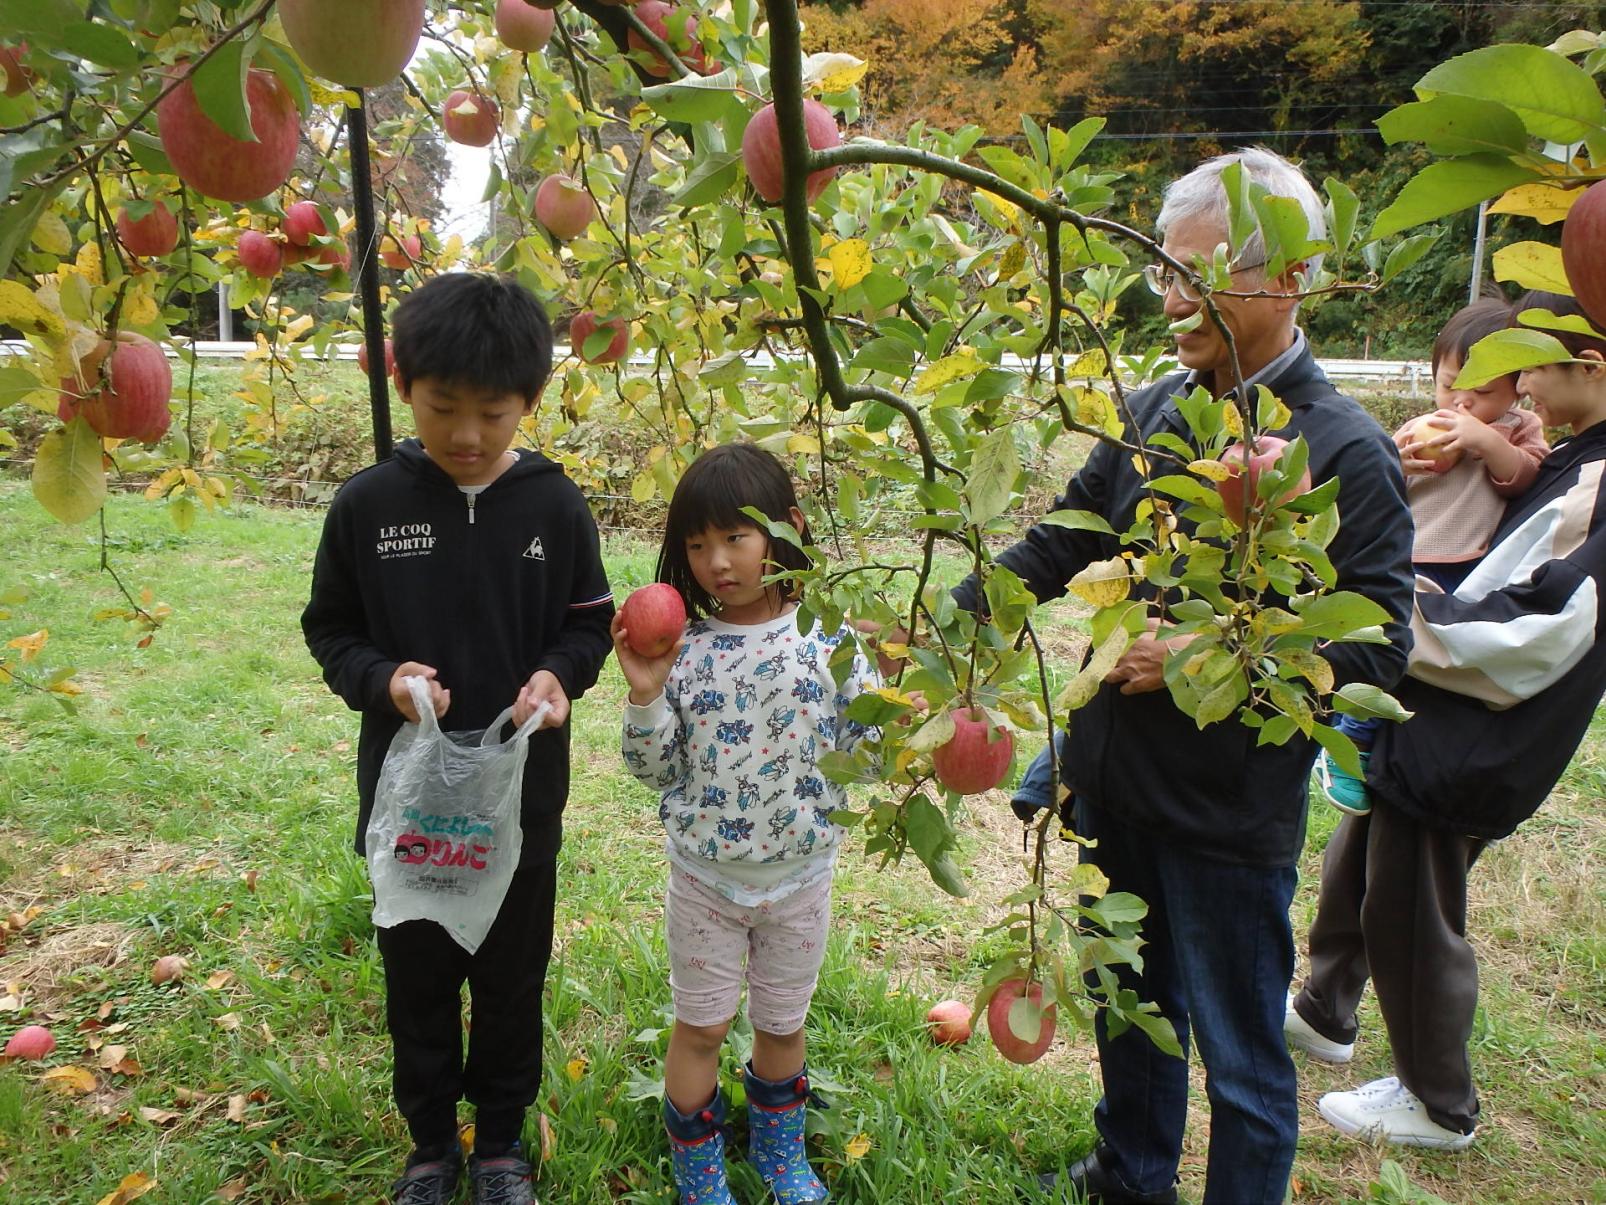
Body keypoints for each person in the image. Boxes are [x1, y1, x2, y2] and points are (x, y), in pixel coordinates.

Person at [955, 148, 1416, 1205]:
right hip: (1116, 783)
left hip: (1224, 812)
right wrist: (954, 613)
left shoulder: (1341, 449)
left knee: (1241, 1051)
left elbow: (1378, 647)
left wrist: (1205, 658)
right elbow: (1060, 541)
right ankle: (1131, 1173)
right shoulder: (1157, 409)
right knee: (1130, 1004)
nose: (1171, 296)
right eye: (1164, 270)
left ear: (1289, 278)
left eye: (1198, 273)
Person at [302, 273, 615, 1205]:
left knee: (513, 984)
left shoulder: (556, 509)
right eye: (444, 408)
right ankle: (432, 1144)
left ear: (532, 400)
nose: (469, 435)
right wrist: (384, 680)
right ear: (405, 387)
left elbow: (588, 621)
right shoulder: (368, 506)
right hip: (412, 811)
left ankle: (505, 1143)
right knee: (422, 985)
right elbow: (332, 628)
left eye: (493, 411)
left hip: (519, 809)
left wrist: (561, 676)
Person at [1287, 290, 1606, 1151]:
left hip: (1479, 728)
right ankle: (1324, 1008)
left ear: (1592, 367)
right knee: (1359, 853)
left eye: (1532, 367)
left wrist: (1386, 611)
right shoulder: (1579, 456)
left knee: (1414, 910)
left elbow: (1542, 621)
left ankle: (1439, 1102)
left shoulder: (1599, 474)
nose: (1524, 387)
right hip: (1440, 709)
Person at [613, 443, 879, 1205]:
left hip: (800, 880)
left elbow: (867, 754)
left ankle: (778, 1152)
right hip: (705, 882)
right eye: (697, 544)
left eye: (735, 537)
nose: (716, 561)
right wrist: (645, 693)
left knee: (781, 1027)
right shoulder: (684, 651)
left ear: (785, 529)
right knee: (699, 1028)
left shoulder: (831, 641)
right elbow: (654, 770)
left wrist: (900, 709)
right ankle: (698, 1171)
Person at [1316, 298, 1549, 815]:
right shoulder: (1418, 426)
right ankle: (1349, 738)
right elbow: (1380, 487)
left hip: (1472, 567)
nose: (1461, 404)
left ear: (1518, 388)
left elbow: (1527, 477)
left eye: (1482, 392)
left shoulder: (1516, 430)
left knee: (1431, 665)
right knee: (1392, 652)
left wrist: (1486, 442)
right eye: (1449, 386)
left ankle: (1374, 734)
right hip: (1410, 559)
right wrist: (1400, 462)